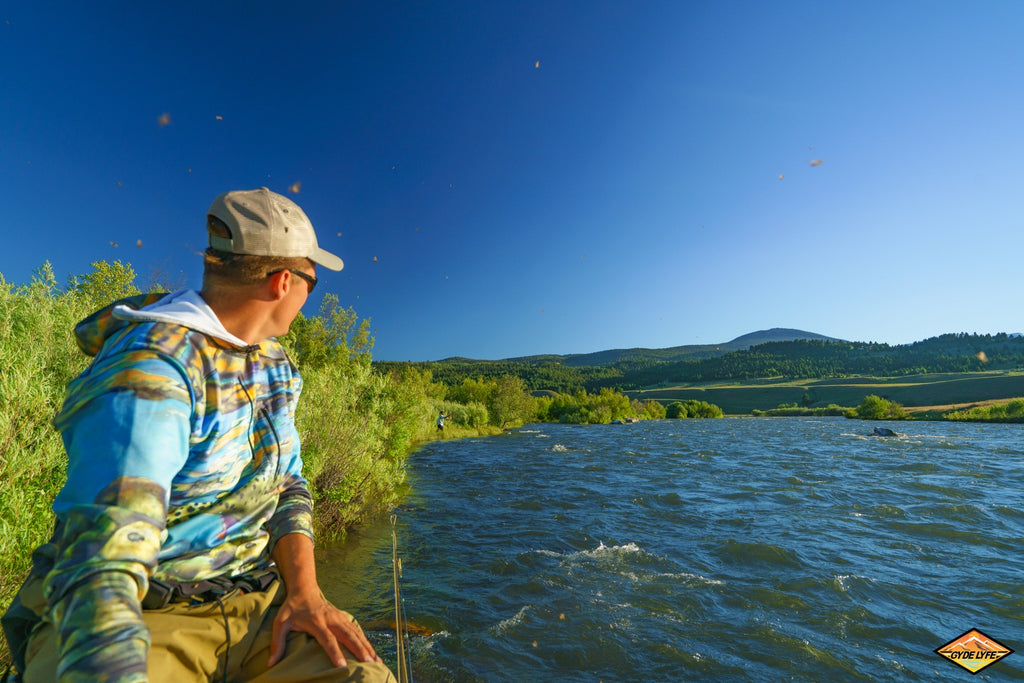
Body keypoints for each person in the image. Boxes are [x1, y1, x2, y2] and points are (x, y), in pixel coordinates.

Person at [2, 188, 396, 682]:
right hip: (148, 618)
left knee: (365, 676)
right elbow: (101, 560)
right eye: (311, 283)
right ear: (281, 282)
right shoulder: (151, 370)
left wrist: (306, 593)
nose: (308, 297)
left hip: (259, 603)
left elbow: (288, 485)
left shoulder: (274, 363)